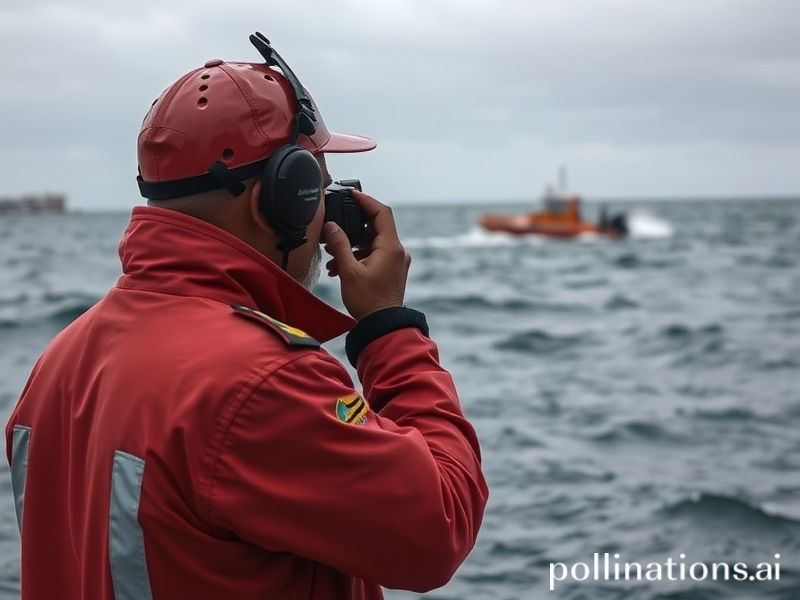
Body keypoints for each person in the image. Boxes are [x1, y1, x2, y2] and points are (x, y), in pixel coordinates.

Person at [5, 35, 488, 599]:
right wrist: (388, 327)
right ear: (282, 199)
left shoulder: (58, 362)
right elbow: (439, 526)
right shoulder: (262, 383)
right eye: (320, 185)